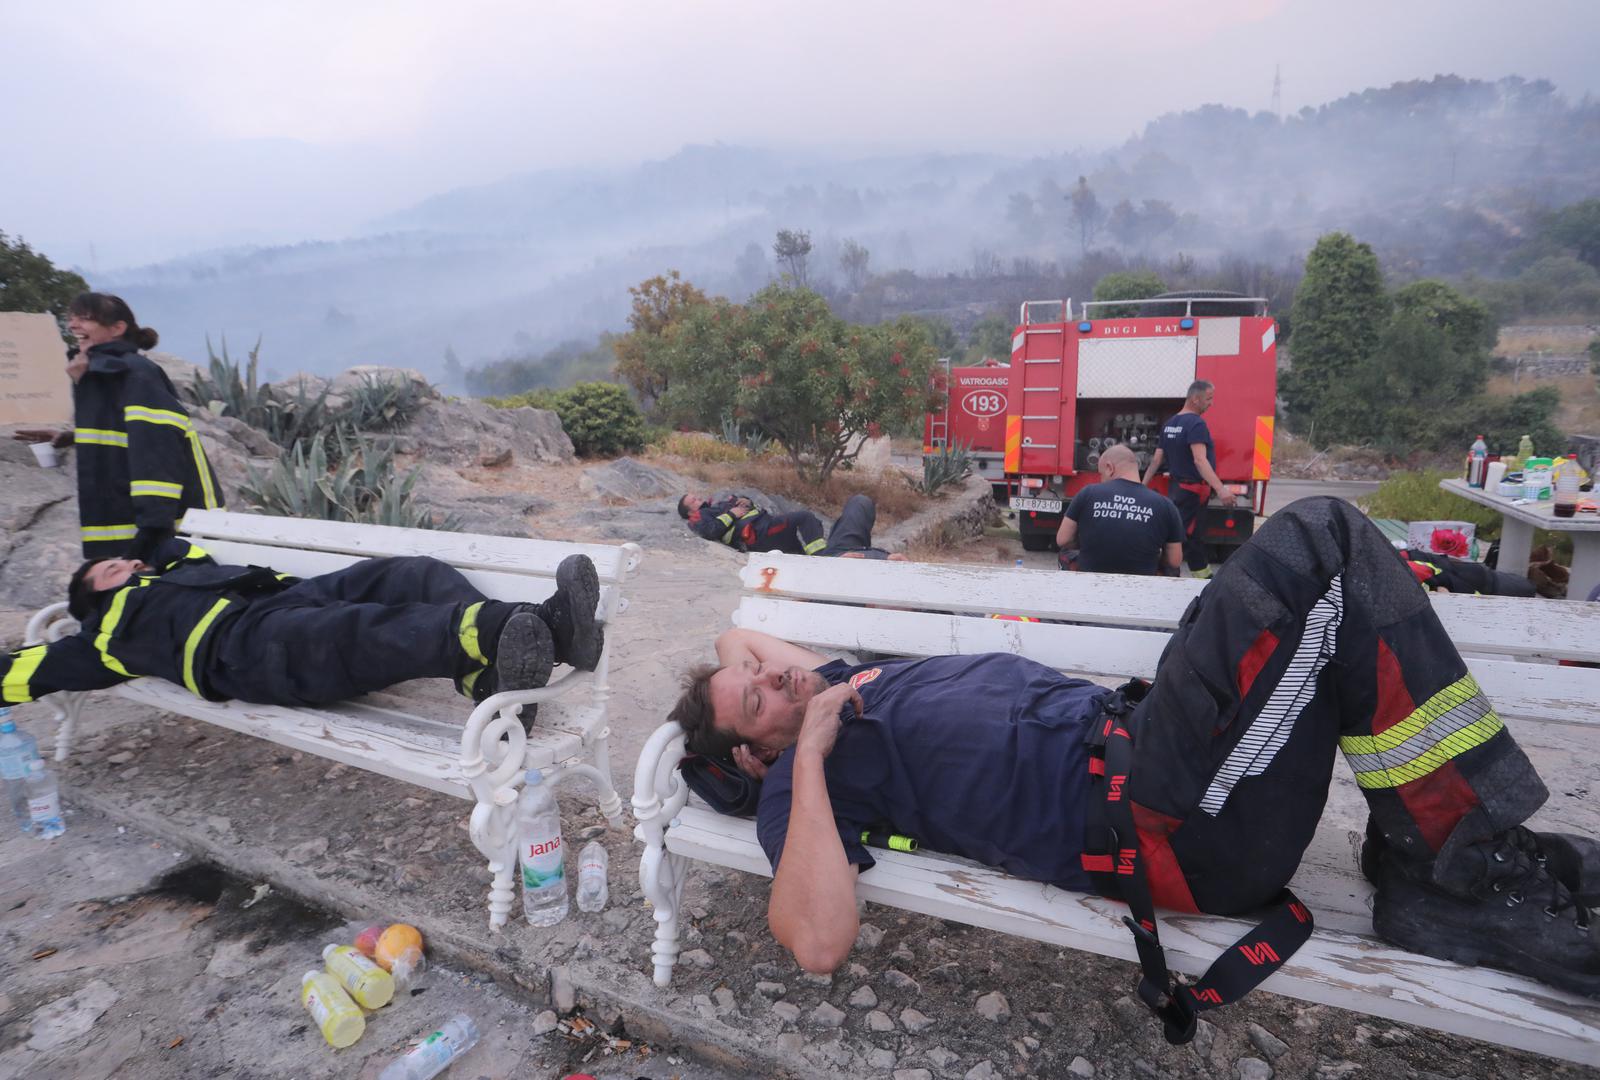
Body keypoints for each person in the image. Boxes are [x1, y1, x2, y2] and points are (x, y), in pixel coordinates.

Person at [667, 497, 1600, 1031]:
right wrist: (814, 751)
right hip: (1172, 824)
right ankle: (1459, 871)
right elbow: (818, 943)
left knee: (1319, 580)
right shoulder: (800, 781)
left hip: (1158, 749)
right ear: (756, 750)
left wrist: (761, 669)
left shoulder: (825, 676)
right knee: (1322, 548)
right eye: (760, 698)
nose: (780, 678)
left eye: (766, 671)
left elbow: (731, 628)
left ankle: (1437, 859)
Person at [0, 541, 605, 721]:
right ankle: (543, 626)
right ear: (92, 596)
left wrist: (152, 561)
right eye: (112, 569)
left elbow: (168, 541)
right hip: (243, 653)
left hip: (284, 601)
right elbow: (27, 670)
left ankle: (493, 682)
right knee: (355, 630)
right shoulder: (102, 639)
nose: (128, 565)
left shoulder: (175, 573)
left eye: (128, 561)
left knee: (409, 573)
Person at [12, 293, 223, 561]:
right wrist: (76, 436)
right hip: (134, 527)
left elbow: (157, 447)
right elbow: (124, 429)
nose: (73, 326)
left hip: (172, 526)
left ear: (117, 329)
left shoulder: (134, 373)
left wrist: (153, 530)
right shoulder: (102, 373)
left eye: (85, 319)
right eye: (71, 318)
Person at [1143, 380, 1234, 578]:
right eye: (1209, 399)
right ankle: (1160, 576)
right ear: (1195, 399)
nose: (1211, 404)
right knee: (1179, 538)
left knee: (1191, 537)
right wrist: (1221, 489)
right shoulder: (1196, 424)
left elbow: (1157, 459)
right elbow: (1200, 461)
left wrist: (1142, 486)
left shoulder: (1170, 424)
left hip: (1177, 490)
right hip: (1192, 493)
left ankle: (1202, 578)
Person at [1056, 444, 1182, 576]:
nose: (1101, 479)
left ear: (1110, 468)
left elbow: (1063, 540)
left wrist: (1088, 544)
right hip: (1143, 584)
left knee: (1065, 555)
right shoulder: (1165, 504)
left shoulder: (1087, 493)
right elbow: (1174, 560)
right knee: (1172, 570)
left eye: (1101, 474)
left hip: (1091, 580)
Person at [679, 492, 906, 560]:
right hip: (758, 534)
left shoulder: (718, 503)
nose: (697, 498)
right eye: (692, 500)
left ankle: (825, 557)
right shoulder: (698, 518)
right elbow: (710, 532)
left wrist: (745, 502)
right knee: (804, 518)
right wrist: (732, 513)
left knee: (860, 502)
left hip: (765, 527)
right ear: (689, 511)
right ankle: (824, 559)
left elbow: (744, 503)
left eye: (696, 496)